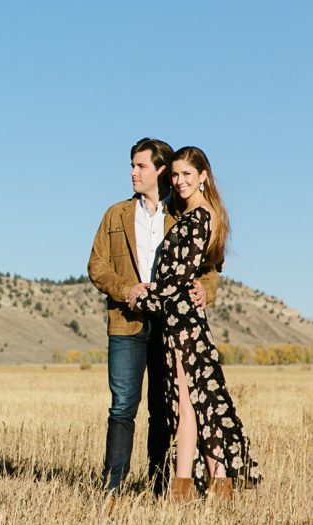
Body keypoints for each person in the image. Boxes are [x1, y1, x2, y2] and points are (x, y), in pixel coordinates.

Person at [88, 138, 219, 497]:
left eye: (140, 166)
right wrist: (126, 289)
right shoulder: (115, 214)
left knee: (164, 409)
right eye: (132, 165)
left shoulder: (182, 215)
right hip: (126, 322)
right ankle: (112, 488)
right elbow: (96, 265)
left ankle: (160, 487)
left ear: (160, 170)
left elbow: (209, 266)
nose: (133, 172)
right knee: (122, 406)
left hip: (169, 326)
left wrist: (207, 290)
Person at [129, 146, 261, 500]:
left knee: (190, 403)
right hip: (180, 319)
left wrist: (140, 296)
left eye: (187, 174)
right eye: (175, 175)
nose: (179, 181)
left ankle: (192, 487)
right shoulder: (194, 215)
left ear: (203, 176)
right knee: (195, 402)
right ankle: (207, 485)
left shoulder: (198, 218)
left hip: (184, 320)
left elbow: (176, 280)